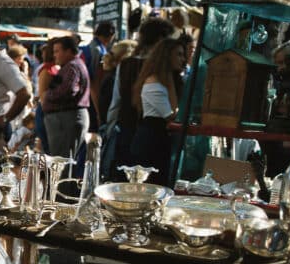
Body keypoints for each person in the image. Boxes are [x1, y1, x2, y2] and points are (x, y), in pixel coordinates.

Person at [105, 16, 175, 176]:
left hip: (126, 130)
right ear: (161, 39)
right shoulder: (162, 67)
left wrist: (110, 129)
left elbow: (115, 102)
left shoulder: (125, 64)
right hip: (152, 136)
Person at [128, 37, 186, 185]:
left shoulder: (168, 80)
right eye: (178, 54)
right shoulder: (155, 82)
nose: (183, 59)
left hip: (159, 139)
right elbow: (171, 114)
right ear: (168, 56)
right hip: (151, 140)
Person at [43, 36, 91, 161]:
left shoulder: (72, 67)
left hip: (66, 119)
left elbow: (69, 90)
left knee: (62, 163)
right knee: (63, 162)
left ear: (69, 51)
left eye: (57, 51)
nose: (55, 55)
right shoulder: (72, 65)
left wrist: (47, 95)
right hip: (66, 118)